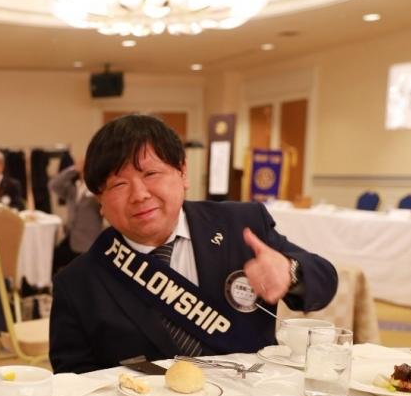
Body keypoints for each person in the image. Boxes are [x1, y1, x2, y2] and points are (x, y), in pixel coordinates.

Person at [50, 115, 337, 373]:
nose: (139, 195)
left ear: (183, 172)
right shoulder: (77, 284)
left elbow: (324, 283)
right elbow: (73, 381)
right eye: (119, 184)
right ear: (100, 201)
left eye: (150, 174)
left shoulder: (241, 225)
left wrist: (290, 270)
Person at [50, 159, 103, 272]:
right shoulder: (73, 189)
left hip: (87, 242)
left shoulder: (97, 192)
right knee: (52, 258)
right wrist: (73, 169)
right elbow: (53, 184)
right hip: (71, 238)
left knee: (80, 271)